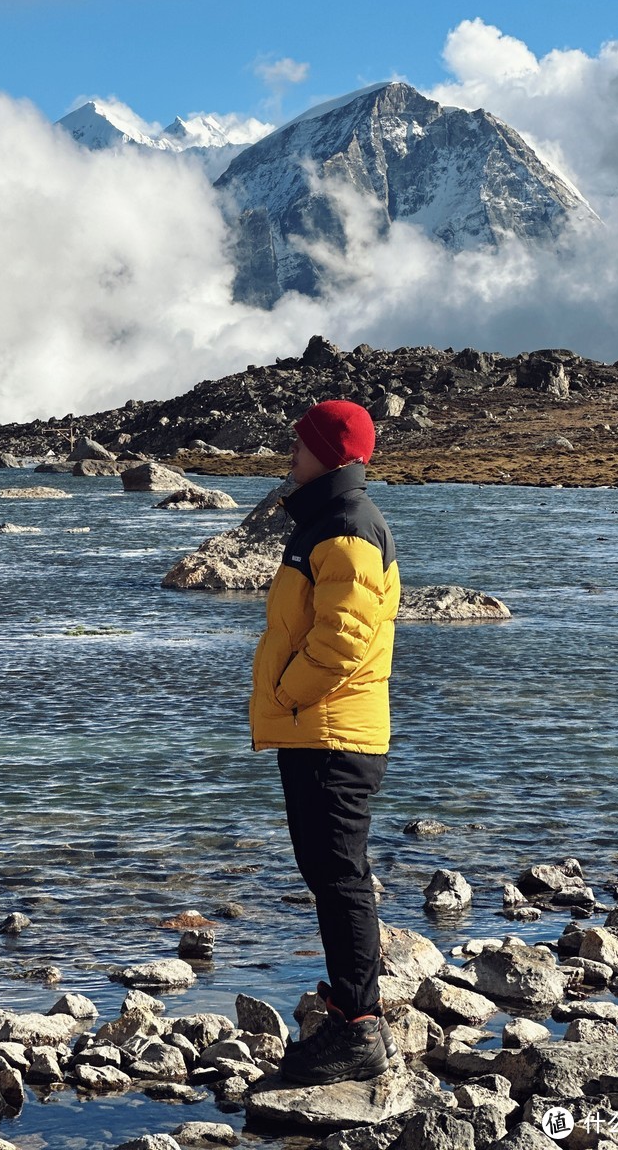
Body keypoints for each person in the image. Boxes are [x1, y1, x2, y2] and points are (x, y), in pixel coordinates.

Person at [249, 398, 400, 1085]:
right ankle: (348, 1006)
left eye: (300, 442)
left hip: (331, 732)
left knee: (339, 876)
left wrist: (284, 695)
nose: (290, 449)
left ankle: (359, 1027)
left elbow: (341, 641)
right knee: (329, 872)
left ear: (333, 454)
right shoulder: (327, 523)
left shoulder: (345, 528)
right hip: (321, 729)